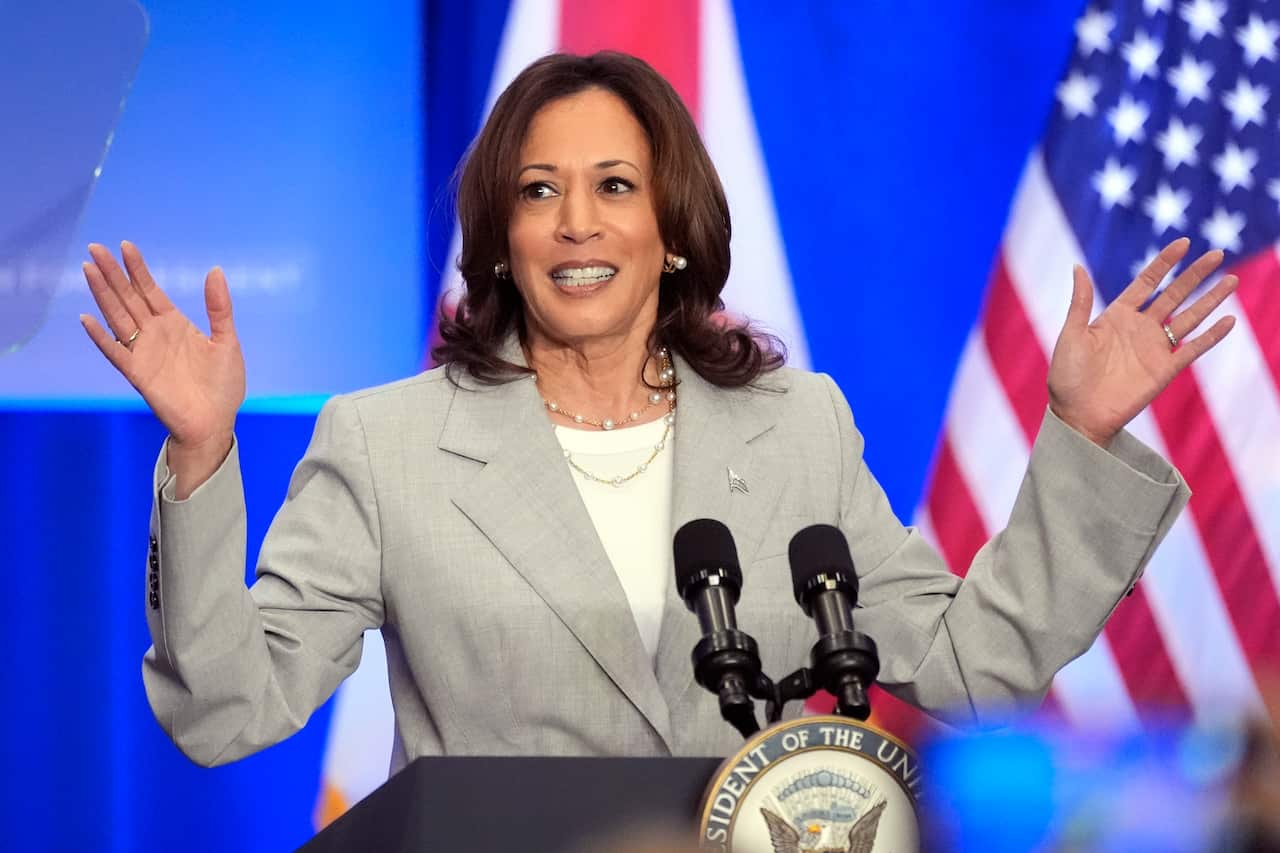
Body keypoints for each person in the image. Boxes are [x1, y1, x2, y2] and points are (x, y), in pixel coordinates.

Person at [80, 52, 1236, 770]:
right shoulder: (384, 444)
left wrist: (1078, 436)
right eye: (538, 193)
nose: (575, 222)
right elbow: (228, 711)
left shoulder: (796, 426)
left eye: (614, 187)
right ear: (502, 240)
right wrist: (201, 448)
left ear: (672, 228)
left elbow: (969, 667)